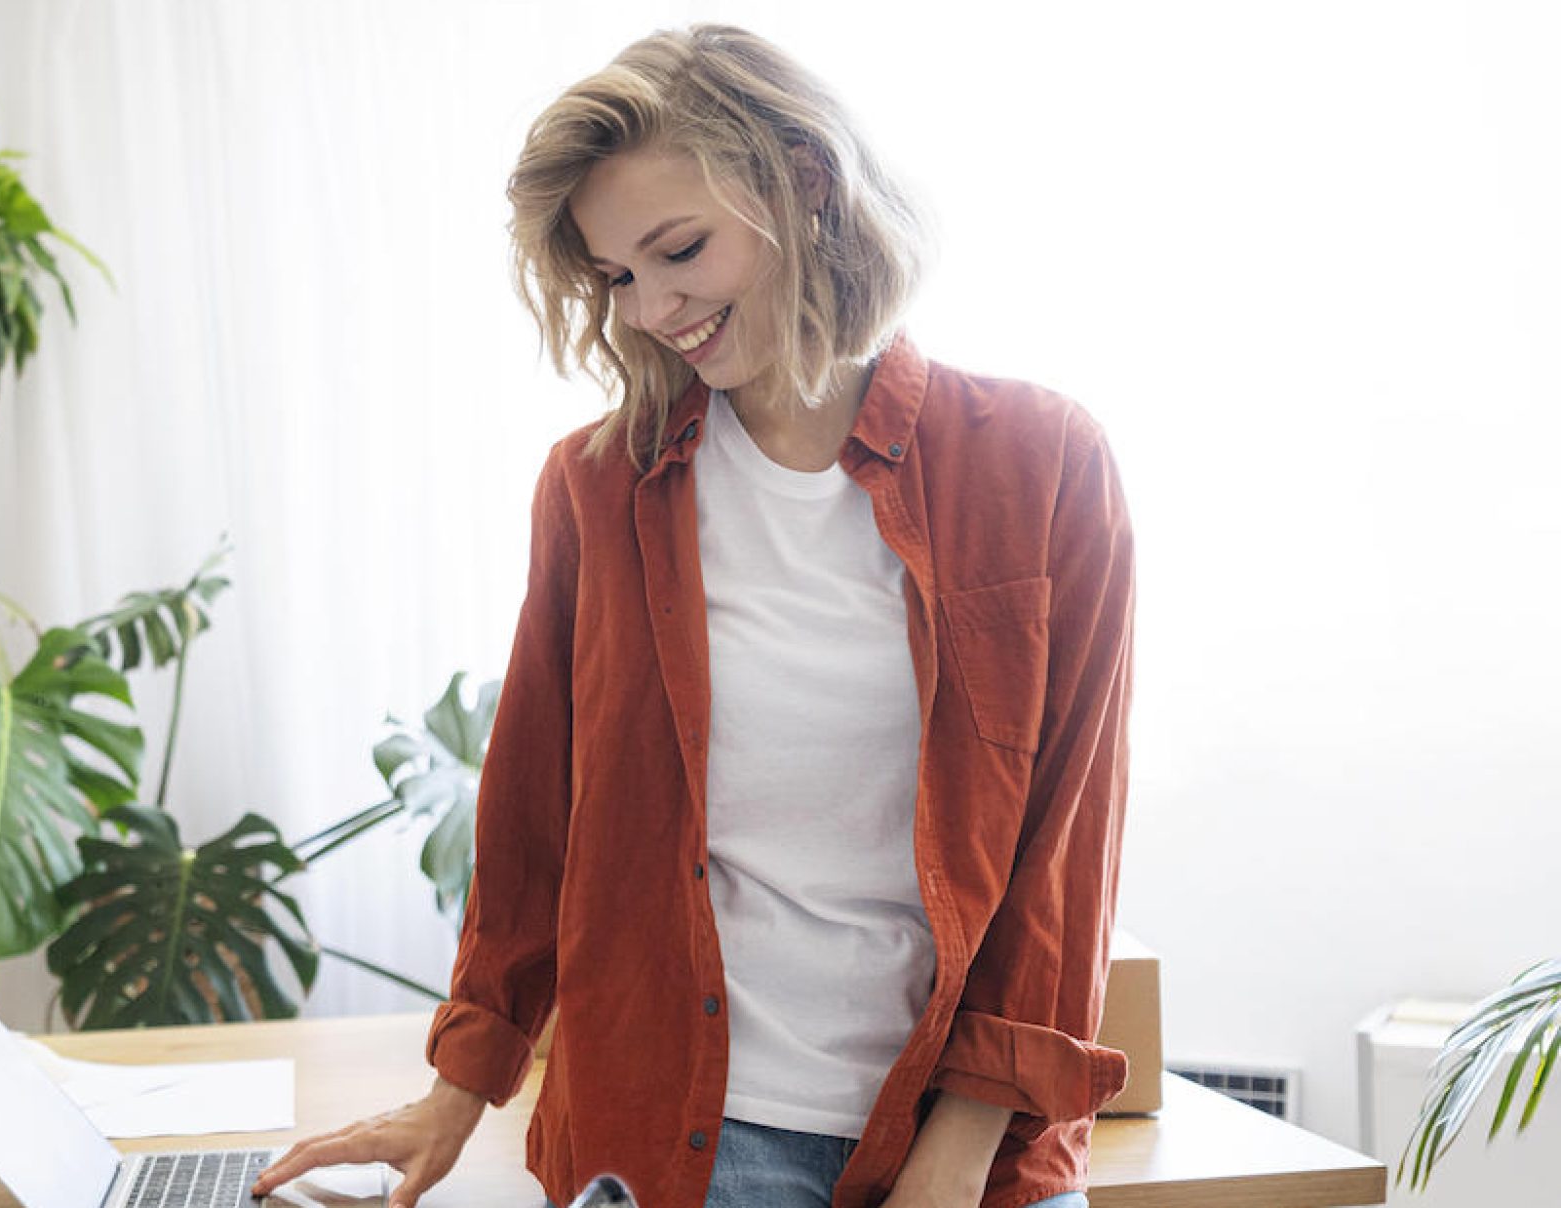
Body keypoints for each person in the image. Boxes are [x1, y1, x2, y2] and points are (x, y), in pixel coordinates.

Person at [254, 24, 1133, 1208]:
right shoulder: (598, 487)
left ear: (805, 184)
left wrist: (955, 1158)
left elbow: (1063, 850)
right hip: (687, 1140)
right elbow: (530, 819)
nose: (652, 308)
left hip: (964, 1142)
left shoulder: (1042, 464)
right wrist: (455, 1092)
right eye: (617, 276)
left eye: (680, 250)